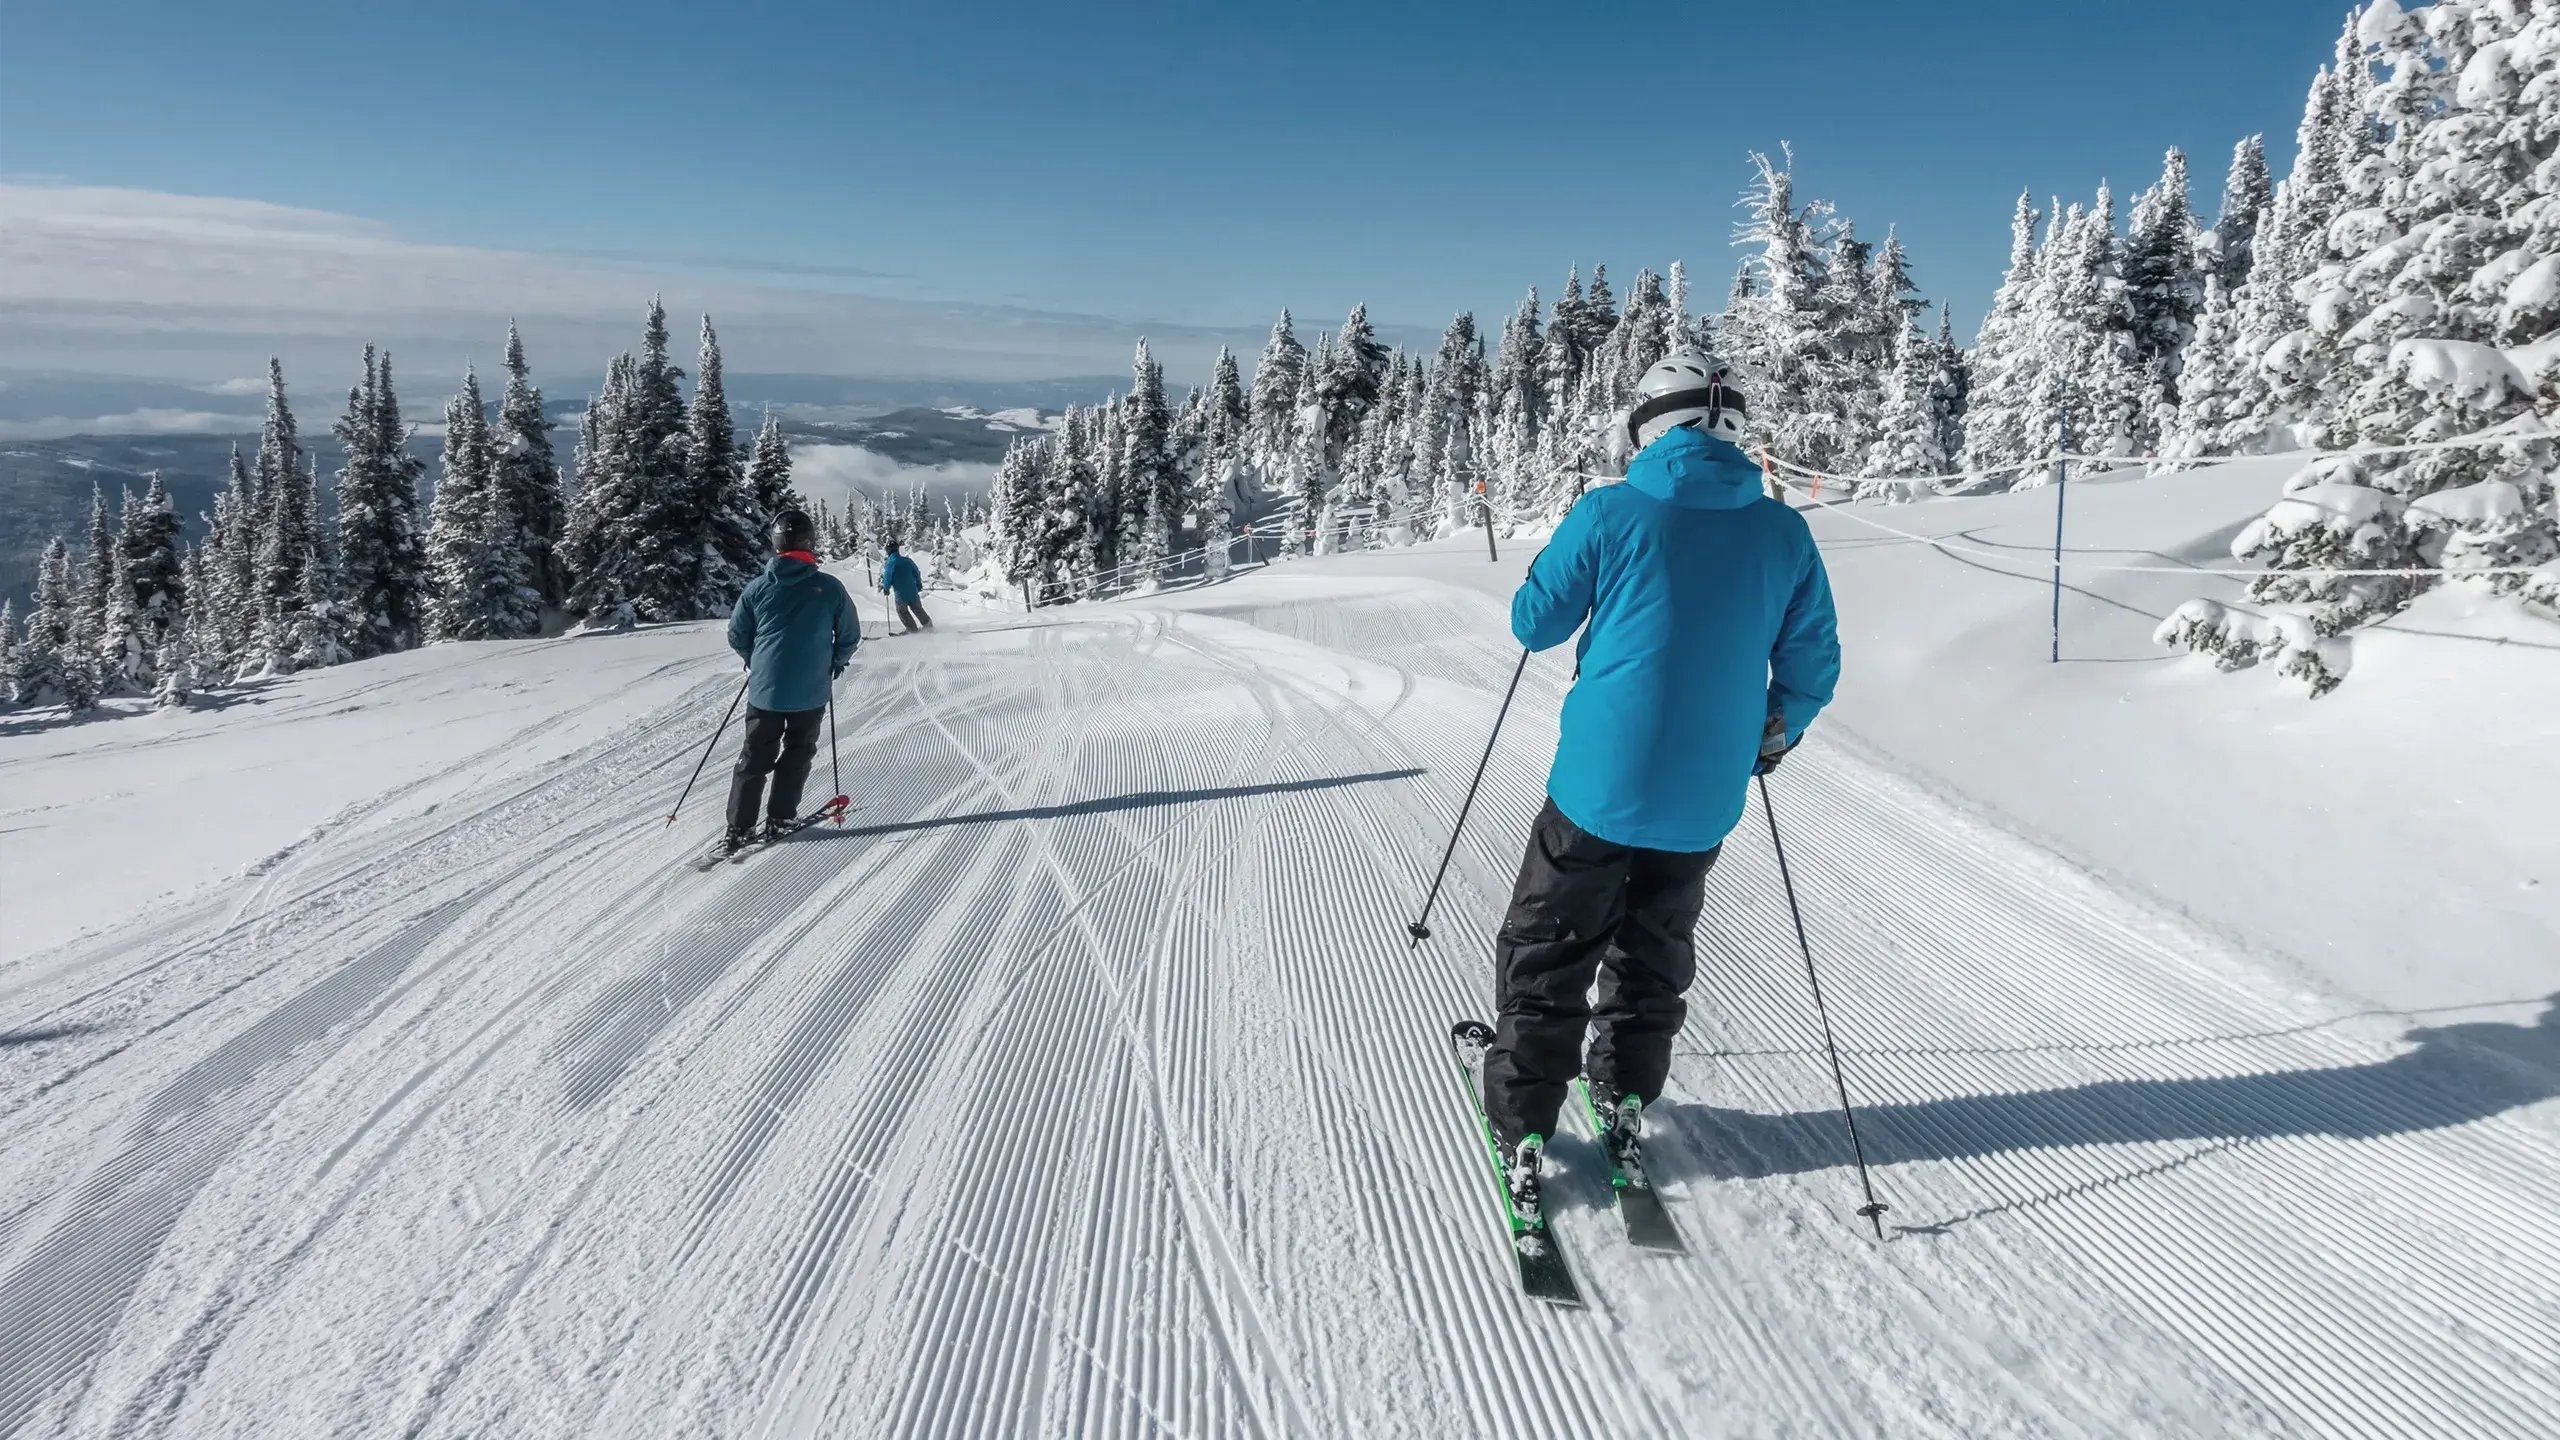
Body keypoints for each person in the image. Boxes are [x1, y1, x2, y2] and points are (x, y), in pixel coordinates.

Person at [1482, 354, 1841, 1224]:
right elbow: (1812, 663)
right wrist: (1775, 729)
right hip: (1706, 792)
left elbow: (1537, 621)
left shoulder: (1610, 510)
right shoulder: (1784, 533)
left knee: (1551, 943)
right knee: (1654, 946)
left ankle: (1526, 1120)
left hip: (1600, 783)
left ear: (1647, 424)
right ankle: (1625, 1092)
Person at [723, 508, 861, 854]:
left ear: (776, 545)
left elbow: (738, 635)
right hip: (810, 690)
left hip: (765, 690)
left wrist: (756, 661)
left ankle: (739, 829)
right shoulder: (829, 588)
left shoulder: (756, 589)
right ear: (809, 543)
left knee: (754, 756)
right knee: (797, 753)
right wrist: (834, 663)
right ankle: (780, 819)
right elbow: (849, 635)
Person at [881, 542, 931, 632]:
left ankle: (913, 631)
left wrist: (886, 588)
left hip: (901, 594)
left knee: (902, 612)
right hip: (913, 591)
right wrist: (919, 583)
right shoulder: (907, 561)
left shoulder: (890, 563)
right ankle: (929, 626)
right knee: (918, 609)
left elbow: (887, 577)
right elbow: (916, 572)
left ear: (888, 551)